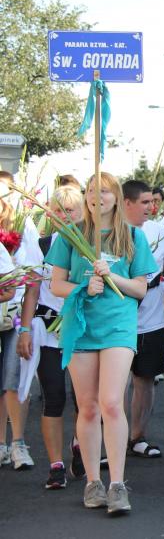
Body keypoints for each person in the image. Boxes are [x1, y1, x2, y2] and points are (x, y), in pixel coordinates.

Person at [46, 172, 158, 515]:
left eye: (106, 191)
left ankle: (117, 484)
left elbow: (140, 288)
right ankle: (93, 482)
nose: (98, 196)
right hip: (80, 326)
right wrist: (83, 288)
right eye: (92, 190)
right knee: (89, 407)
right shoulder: (70, 235)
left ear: (116, 197)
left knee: (111, 403)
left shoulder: (133, 236)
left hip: (118, 328)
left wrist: (112, 277)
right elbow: (56, 285)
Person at [21, 185, 86, 488]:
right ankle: (56, 465)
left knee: (84, 400)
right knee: (53, 397)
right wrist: (24, 329)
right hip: (49, 332)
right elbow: (33, 291)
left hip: (83, 331)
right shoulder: (42, 245)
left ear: (82, 212)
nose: (64, 216)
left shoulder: (92, 245)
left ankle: (80, 444)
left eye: (70, 210)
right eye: (58, 210)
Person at [122, 180, 164, 459]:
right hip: (119, 316)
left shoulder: (161, 232)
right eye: (144, 202)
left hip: (152, 315)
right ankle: (112, 440)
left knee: (145, 378)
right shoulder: (111, 233)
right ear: (127, 203)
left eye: (152, 202)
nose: (151, 207)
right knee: (117, 384)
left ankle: (137, 436)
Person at [0, 170, 40, 471]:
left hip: (14, 315)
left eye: (6, 191)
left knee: (14, 380)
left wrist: (26, 327)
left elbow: (33, 279)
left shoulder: (24, 226)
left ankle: (18, 443)